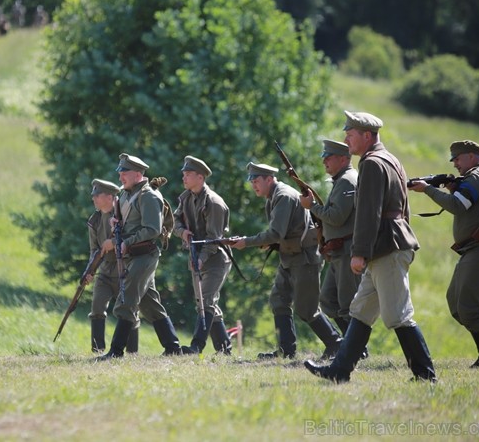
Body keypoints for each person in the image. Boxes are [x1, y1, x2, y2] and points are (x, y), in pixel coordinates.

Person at [305, 111, 437, 383]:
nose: (346, 139)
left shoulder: (372, 163)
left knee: (398, 315)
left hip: (384, 247)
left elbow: (369, 213)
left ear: (367, 136)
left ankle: (425, 375)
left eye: (350, 134)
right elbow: (403, 209)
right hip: (388, 244)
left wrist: (359, 252)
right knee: (361, 311)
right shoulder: (390, 159)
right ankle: (339, 371)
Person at [409, 140, 479, 369]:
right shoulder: (477, 175)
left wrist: (428, 189)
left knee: (469, 307)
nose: (455, 164)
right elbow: (468, 203)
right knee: (456, 304)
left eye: (457, 159)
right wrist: (452, 187)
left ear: (470, 156)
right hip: (475, 248)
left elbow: (459, 206)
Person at [230, 162, 341, 360]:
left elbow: (275, 233)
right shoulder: (272, 196)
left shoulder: (282, 196)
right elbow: (285, 232)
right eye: (252, 181)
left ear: (269, 179)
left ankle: (336, 344)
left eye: (256, 181)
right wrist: (271, 243)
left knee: (306, 309)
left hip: (304, 258)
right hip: (290, 256)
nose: (253, 185)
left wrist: (246, 242)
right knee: (278, 300)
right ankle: (286, 351)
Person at [98, 153, 183, 359]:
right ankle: (173, 347)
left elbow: (153, 229)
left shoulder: (149, 196)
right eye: (120, 173)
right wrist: (115, 223)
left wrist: (126, 242)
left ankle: (116, 352)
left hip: (145, 255)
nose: (120, 177)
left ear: (137, 174)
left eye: (124, 173)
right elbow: (126, 221)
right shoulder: (126, 194)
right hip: (133, 256)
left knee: (126, 300)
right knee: (149, 304)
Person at [300, 140, 366, 357]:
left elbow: (336, 218)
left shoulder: (347, 181)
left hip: (347, 250)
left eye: (329, 157)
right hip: (338, 250)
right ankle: (351, 345)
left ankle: (356, 349)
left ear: (344, 159)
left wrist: (312, 208)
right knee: (329, 300)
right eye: (324, 157)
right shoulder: (341, 181)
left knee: (348, 305)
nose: (324, 161)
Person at [173, 156, 234, 355]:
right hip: (196, 254)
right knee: (204, 301)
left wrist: (200, 258)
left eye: (188, 175)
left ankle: (196, 346)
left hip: (215, 257)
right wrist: (183, 233)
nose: (184, 178)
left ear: (200, 177)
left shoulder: (214, 203)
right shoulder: (186, 198)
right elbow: (174, 222)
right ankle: (225, 348)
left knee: (206, 299)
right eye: (184, 174)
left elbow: (213, 239)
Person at [84, 178, 139, 354]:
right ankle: (98, 350)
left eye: (97, 196)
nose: (93, 199)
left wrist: (114, 243)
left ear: (109, 197)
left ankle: (132, 353)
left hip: (126, 270)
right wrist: (89, 271)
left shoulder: (125, 214)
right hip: (105, 272)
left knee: (130, 313)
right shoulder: (95, 220)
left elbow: (134, 238)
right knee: (97, 309)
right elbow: (94, 250)